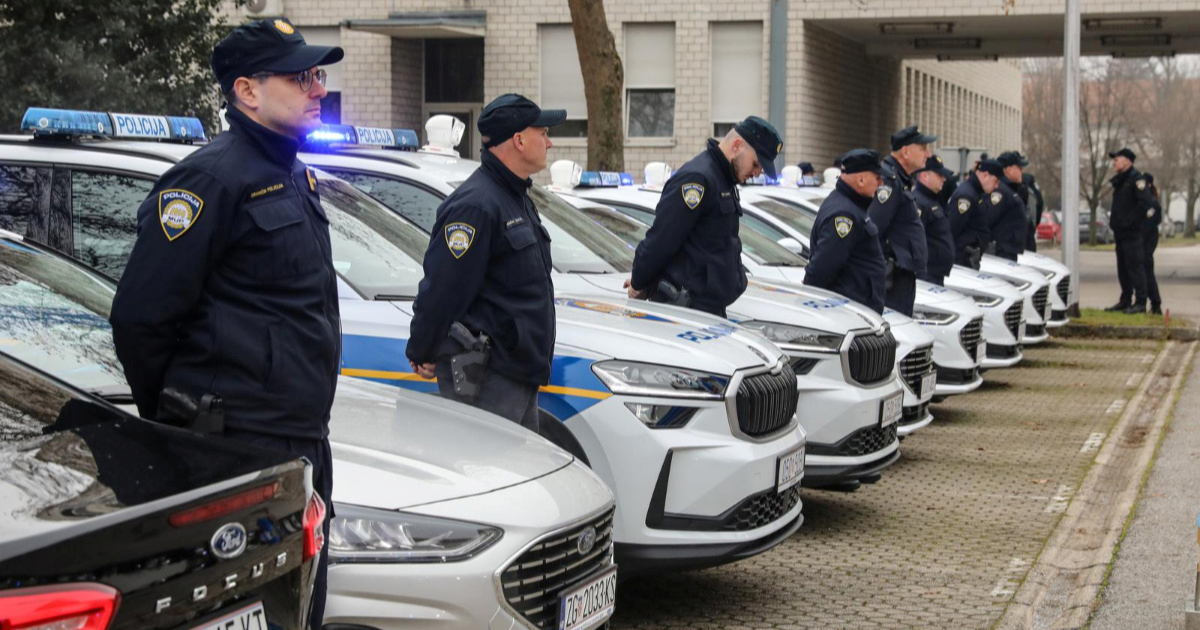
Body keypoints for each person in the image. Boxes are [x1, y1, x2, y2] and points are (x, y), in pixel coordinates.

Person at [109, 18, 343, 628]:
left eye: (317, 75)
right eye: (300, 77)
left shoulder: (292, 172)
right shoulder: (210, 179)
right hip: (237, 447)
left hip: (300, 439)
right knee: (243, 611)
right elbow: (142, 317)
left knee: (298, 606)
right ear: (247, 92)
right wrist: (179, 424)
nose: (318, 88)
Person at [406, 94, 563, 431]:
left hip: (514, 373)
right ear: (519, 140)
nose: (549, 142)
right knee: (489, 473)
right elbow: (445, 287)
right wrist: (423, 347)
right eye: (543, 133)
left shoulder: (513, 198)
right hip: (487, 376)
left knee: (521, 477)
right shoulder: (477, 206)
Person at [626, 116, 783, 317]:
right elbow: (662, 239)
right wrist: (639, 281)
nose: (758, 172)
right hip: (687, 311)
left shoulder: (723, 179)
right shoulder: (698, 179)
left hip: (707, 309)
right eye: (756, 163)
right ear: (737, 146)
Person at [803, 149, 888, 313]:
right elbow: (823, 268)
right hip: (848, 312)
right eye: (877, 178)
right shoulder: (844, 215)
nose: (881, 184)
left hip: (856, 308)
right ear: (861, 180)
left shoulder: (851, 206)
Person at [872, 125, 933, 317]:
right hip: (891, 277)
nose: (928, 154)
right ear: (906, 151)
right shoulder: (889, 181)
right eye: (923, 149)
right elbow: (875, 228)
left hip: (901, 274)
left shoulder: (900, 180)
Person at [1104, 147, 1157, 314]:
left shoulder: (1136, 180)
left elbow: (1145, 203)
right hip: (1120, 233)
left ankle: (1140, 302)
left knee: (1135, 267)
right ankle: (1125, 299)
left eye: (1117, 159)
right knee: (1123, 268)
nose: (1114, 162)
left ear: (1127, 161)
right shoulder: (1121, 180)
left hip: (1132, 233)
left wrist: (1130, 222)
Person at [947, 158, 1004, 269]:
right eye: (996, 181)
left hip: (968, 258)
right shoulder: (966, 196)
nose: (997, 186)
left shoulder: (975, 193)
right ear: (985, 175)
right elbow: (951, 230)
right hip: (961, 261)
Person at [913, 155, 957, 286]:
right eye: (939, 175)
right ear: (924, 176)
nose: (944, 179)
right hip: (926, 273)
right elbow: (916, 241)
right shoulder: (919, 202)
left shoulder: (932, 200)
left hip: (935, 273)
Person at [985, 151, 1029, 261]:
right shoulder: (1000, 191)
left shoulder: (1010, 189)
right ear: (1008, 170)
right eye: (1019, 167)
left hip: (1007, 250)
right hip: (1001, 252)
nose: (1021, 171)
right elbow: (988, 219)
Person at [1142, 172, 1164, 315]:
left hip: (1147, 240)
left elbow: (1152, 222)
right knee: (1143, 272)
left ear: (1148, 184)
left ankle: (1155, 303)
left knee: (1147, 271)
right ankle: (1147, 302)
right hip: (1145, 239)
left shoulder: (1151, 202)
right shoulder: (1145, 199)